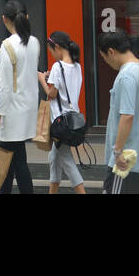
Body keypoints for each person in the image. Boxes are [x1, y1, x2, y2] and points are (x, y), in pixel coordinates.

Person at [0, 0, 40, 194]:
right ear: (26, 17)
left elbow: (5, 87)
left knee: (14, 162)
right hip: (28, 109)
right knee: (12, 161)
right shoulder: (34, 42)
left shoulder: (7, 46)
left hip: (12, 112)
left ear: (4, 20)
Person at [98, 29, 139, 193]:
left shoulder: (126, 76)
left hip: (126, 162)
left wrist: (117, 152)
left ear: (111, 52)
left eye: (103, 57)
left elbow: (127, 116)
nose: (106, 62)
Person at [38, 30, 85, 194]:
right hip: (73, 121)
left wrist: (42, 80)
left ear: (57, 47)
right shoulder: (77, 66)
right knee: (54, 158)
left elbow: (51, 94)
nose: (52, 54)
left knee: (66, 160)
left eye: (51, 50)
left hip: (60, 123)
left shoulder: (57, 67)